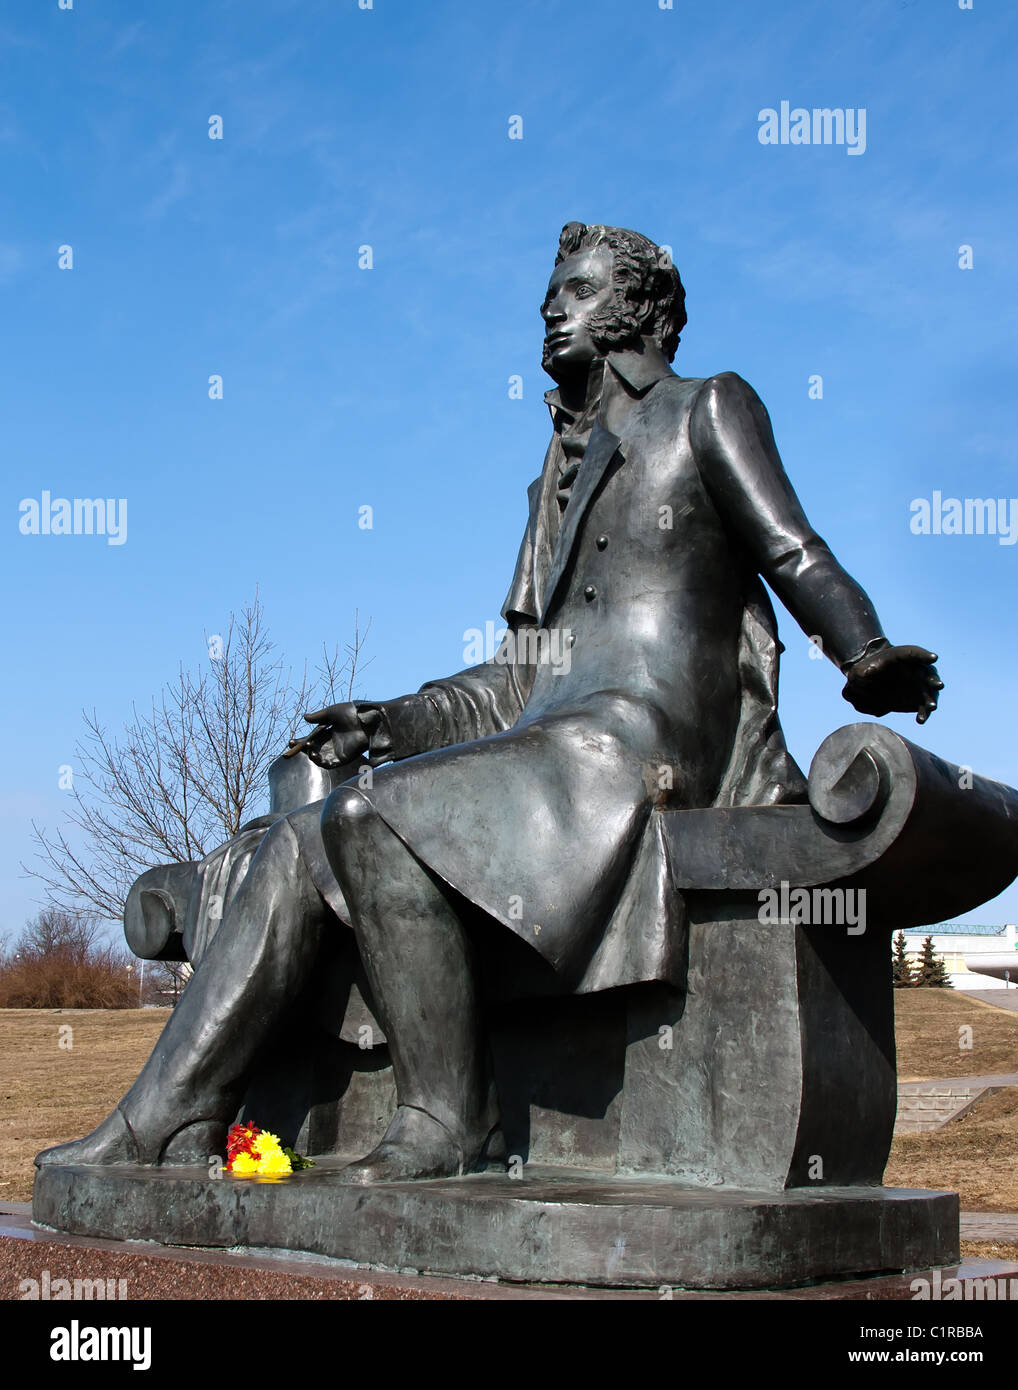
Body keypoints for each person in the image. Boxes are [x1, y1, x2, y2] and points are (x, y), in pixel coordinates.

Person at [37, 223, 941, 1182]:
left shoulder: (705, 407)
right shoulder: (550, 473)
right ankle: (166, 1118)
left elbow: (793, 550)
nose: (554, 308)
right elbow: (519, 673)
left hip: (641, 742)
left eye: (581, 290)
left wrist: (864, 651)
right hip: (556, 738)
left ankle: (450, 1121)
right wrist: (395, 722)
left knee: (370, 818)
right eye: (552, 293)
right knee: (302, 840)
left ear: (635, 310)